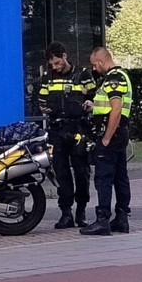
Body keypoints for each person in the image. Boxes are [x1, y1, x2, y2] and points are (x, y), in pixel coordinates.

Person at [35, 42, 95, 229]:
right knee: (61, 172)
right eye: (52, 64)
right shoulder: (47, 78)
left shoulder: (82, 74)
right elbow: (41, 100)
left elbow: (94, 95)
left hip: (78, 129)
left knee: (81, 172)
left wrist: (88, 103)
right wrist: (43, 107)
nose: (55, 67)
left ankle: (81, 211)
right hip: (57, 130)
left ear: (65, 56)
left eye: (57, 62)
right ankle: (66, 213)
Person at [81, 47, 132, 236]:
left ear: (102, 61)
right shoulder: (120, 76)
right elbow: (109, 106)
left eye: (95, 64)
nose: (94, 69)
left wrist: (106, 137)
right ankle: (121, 218)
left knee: (103, 178)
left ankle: (102, 220)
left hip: (112, 134)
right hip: (120, 133)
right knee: (120, 176)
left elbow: (116, 109)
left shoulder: (114, 78)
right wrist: (93, 106)